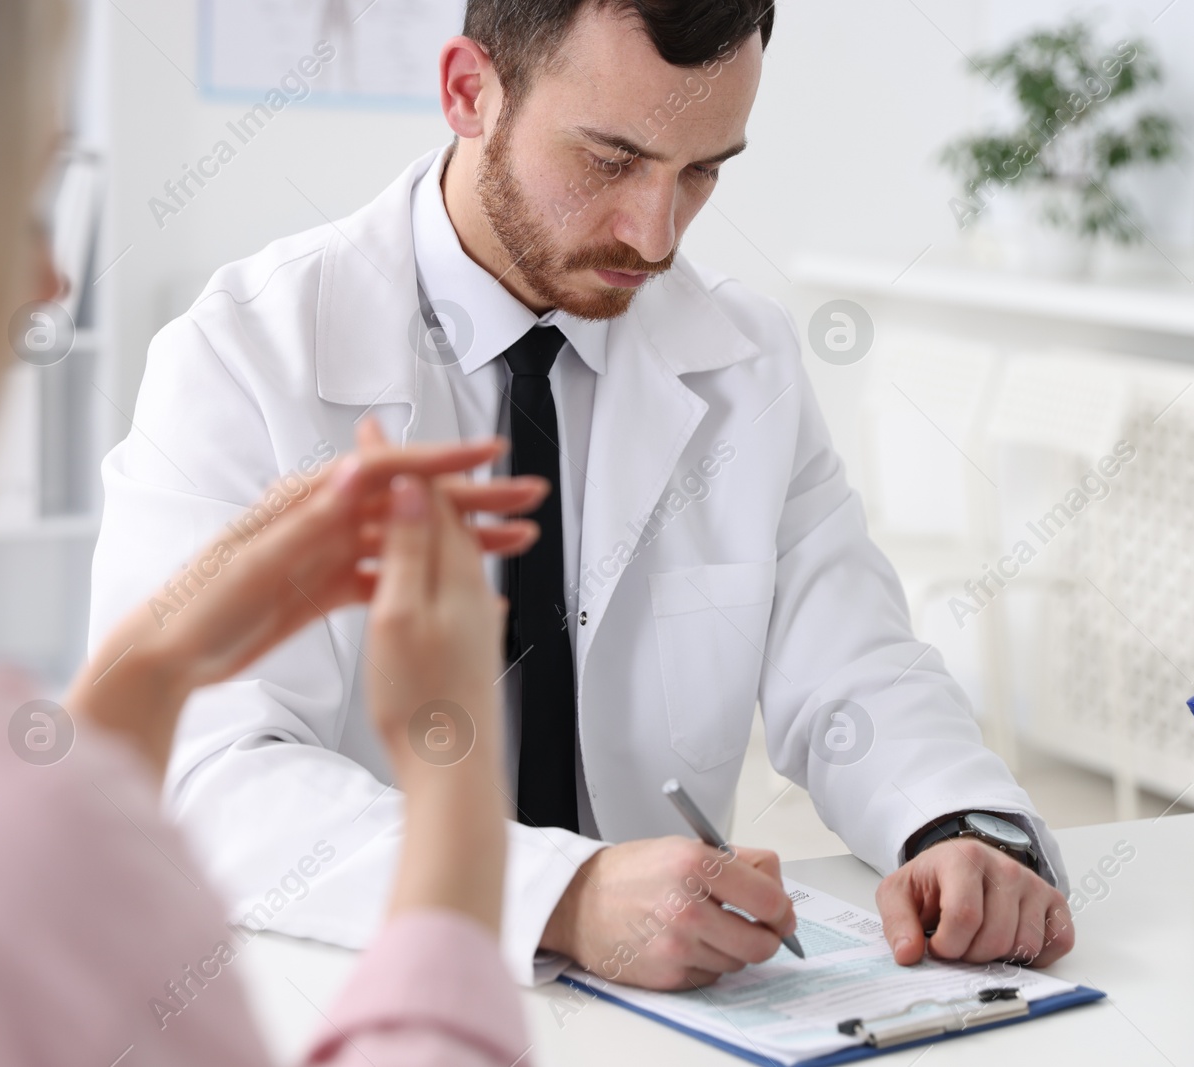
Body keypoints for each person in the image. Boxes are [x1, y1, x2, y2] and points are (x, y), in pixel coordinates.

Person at [89, 0, 1078, 993]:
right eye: (610, 160)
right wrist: (557, 894)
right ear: (468, 91)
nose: (654, 233)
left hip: (667, 1016)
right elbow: (202, 772)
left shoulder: (745, 360)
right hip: (356, 997)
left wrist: (954, 822)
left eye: (700, 171)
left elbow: (857, 667)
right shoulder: (241, 359)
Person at [0, 2, 543, 1063]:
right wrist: (452, 773)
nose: (51, 281)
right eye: (27, 208)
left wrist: (154, 668)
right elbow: (19, 873)